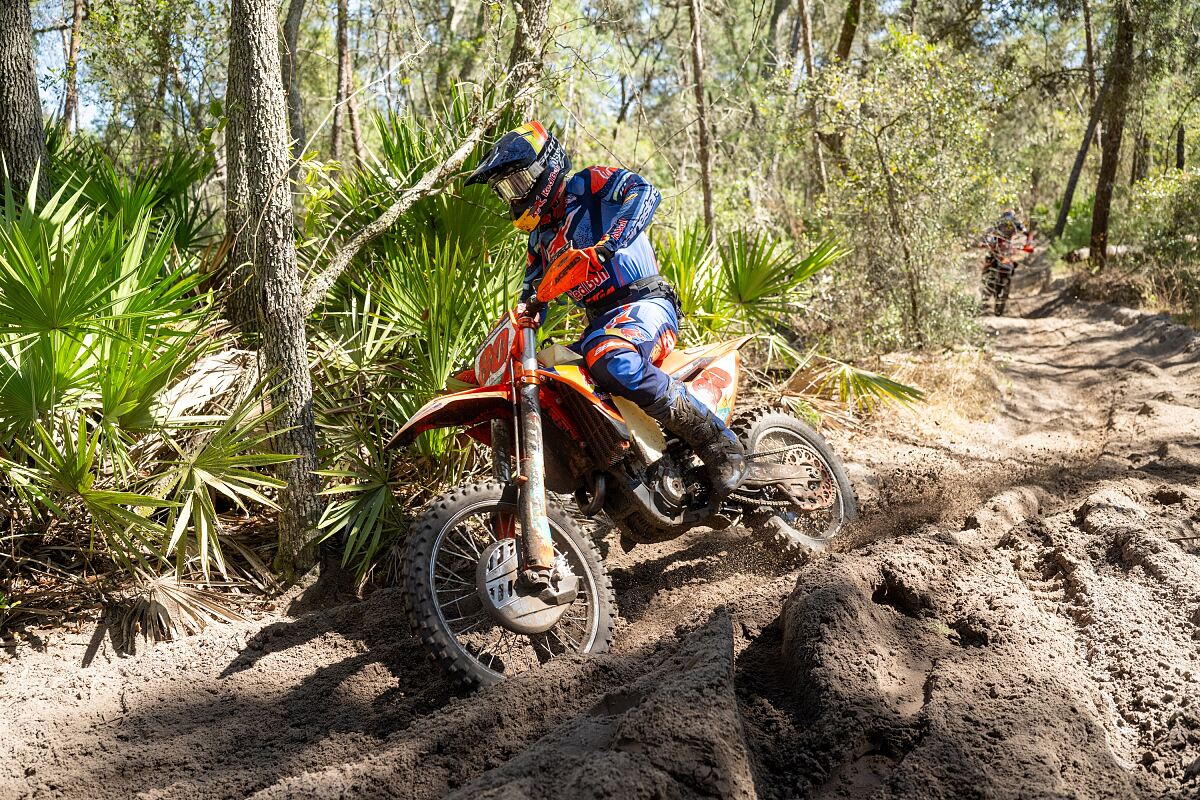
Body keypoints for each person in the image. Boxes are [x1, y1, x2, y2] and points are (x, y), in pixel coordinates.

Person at [465, 120, 747, 498]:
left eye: (517, 183)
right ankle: (616, 469)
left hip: (645, 303)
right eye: (505, 190)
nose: (513, 196)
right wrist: (518, 328)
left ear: (544, 168)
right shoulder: (540, 240)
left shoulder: (589, 184)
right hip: (601, 324)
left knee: (610, 357)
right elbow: (532, 297)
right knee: (552, 380)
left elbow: (644, 192)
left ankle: (720, 444)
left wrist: (609, 243)